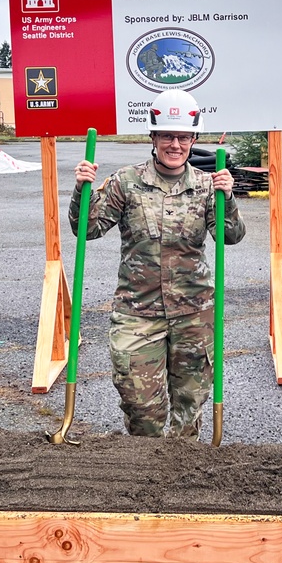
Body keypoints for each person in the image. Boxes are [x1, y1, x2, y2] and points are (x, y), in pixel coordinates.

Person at [70, 89, 246, 439]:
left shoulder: (207, 185)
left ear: (193, 138)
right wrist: (81, 191)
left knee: (188, 410)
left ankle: (184, 482)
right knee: (142, 410)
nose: (175, 144)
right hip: (138, 313)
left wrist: (229, 196)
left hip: (193, 314)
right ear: (153, 136)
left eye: (183, 136)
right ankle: (145, 481)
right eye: (167, 135)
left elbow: (231, 236)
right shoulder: (125, 182)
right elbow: (86, 229)